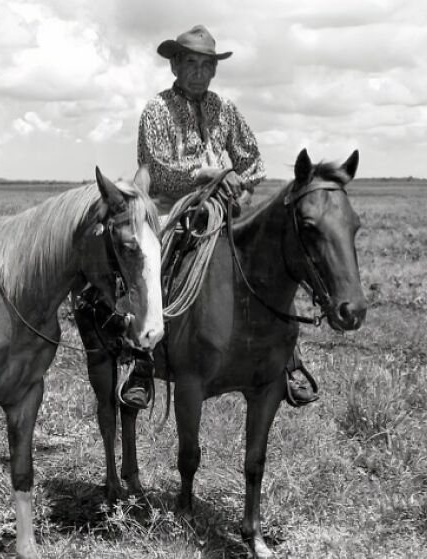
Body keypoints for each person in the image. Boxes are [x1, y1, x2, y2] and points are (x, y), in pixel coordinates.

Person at [119, 25, 317, 409]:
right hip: (169, 205)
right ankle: (142, 359)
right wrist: (203, 174)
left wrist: (240, 186)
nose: (199, 71)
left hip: (221, 207)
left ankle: (287, 357)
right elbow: (156, 168)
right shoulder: (156, 110)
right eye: (191, 62)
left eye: (206, 64)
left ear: (214, 69)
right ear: (175, 65)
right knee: (151, 257)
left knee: (269, 258)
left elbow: (253, 161)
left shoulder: (225, 109)